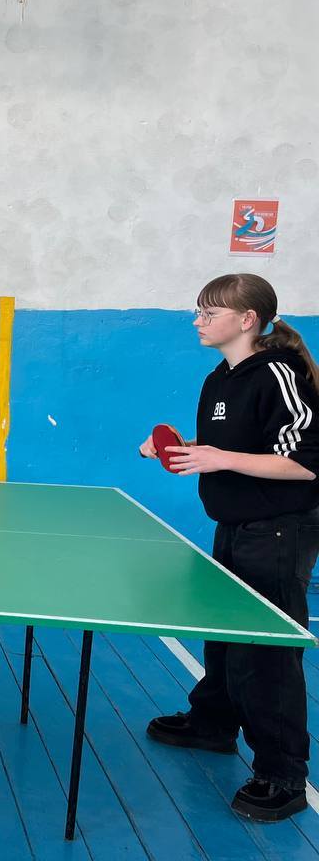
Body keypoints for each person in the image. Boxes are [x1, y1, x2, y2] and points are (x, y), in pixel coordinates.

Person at [141, 273, 319, 822]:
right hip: (236, 523)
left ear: (247, 319)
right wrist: (183, 449)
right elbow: (238, 446)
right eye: (199, 311)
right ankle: (212, 724)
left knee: (265, 651)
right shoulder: (220, 377)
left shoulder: (280, 375)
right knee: (222, 630)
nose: (198, 321)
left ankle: (283, 774)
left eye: (209, 312)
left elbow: (306, 462)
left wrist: (219, 459)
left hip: (279, 529)